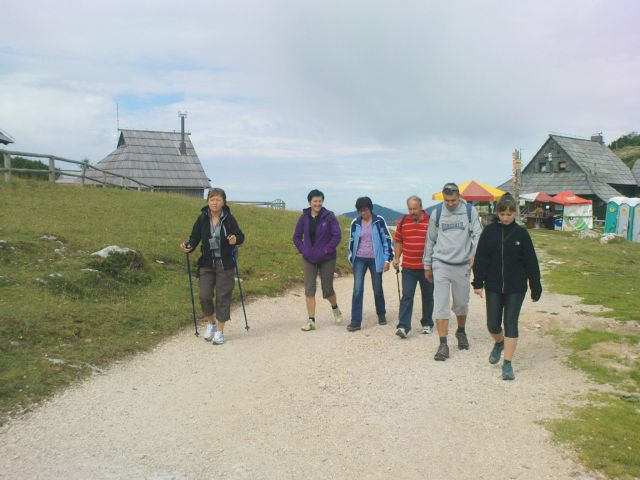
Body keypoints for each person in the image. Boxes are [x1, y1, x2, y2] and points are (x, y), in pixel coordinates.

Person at [472, 193, 542, 380]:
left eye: (510, 214)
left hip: (516, 287)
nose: (505, 218)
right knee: (493, 324)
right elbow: (481, 259)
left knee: (510, 323)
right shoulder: (489, 232)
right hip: (493, 286)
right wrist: (478, 283)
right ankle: (499, 342)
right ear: (497, 213)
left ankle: (508, 364)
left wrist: (536, 286)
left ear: (515, 214)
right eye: (502, 214)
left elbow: (531, 263)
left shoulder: (522, 234)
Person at [423, 182, 482, 361]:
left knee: (461, 304)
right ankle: (443, 344)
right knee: (441, 305)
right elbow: (430, 240)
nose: (450, 204)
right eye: (447, 200)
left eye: (453, 200)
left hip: (462, 264)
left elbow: (478, 235)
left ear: (459, 197)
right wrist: (427, 265)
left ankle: (461, 331)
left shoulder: (470, 212)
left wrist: (474, 255)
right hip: (440, 263)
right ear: (443, 197)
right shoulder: (437, 214)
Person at [180, 188, 245, 345]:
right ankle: (211, 323)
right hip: (207, 264)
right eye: (212, 199)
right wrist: (188, 246)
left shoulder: (229, 219)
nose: (215, 202)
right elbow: (194, 238)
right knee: (204, 295)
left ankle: (220, 331)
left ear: (223, 202)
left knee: (223, 297)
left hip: (225, 264)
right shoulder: (202, 218)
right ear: (207, 202)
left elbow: (240, 236)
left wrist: (235, 239)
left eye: (218, 200)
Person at [293, 189, 343, 331]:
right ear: (310, 202)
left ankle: (335, 308)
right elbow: (296, 237)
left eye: (320, 201)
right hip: (309, 258)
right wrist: (304, 249)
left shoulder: (329, 217)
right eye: (315, 201)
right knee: (309, 288)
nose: (317, 203)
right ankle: (311, 320)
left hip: (327, 258)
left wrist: (327, 249)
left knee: (327, 289)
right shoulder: (304, 217)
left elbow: (337, 236)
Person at [346, 197, 393, 331]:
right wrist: (351, 258)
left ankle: (381, 314)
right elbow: (351, 241)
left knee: (377, 288)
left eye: (365, 210)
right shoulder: (356, 222)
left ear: (370, 209)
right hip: (359, 259)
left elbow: (387, 240)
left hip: (375, 259)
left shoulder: (379, 221)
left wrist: (386, 260)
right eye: (360, 210)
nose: (363, 213)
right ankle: (355, 321)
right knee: (357, 289)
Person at [393, 195, 435, 338]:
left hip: (427, 267)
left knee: (428, 296)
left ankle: (427, 323)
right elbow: (399, 241)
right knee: (407, 296)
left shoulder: (431, 221)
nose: (412, 212)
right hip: (409, 267)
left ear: (421, 207)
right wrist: (397, 258)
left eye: (415, 209)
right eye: (410, 209)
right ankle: (403, 326)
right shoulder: (403, 221)